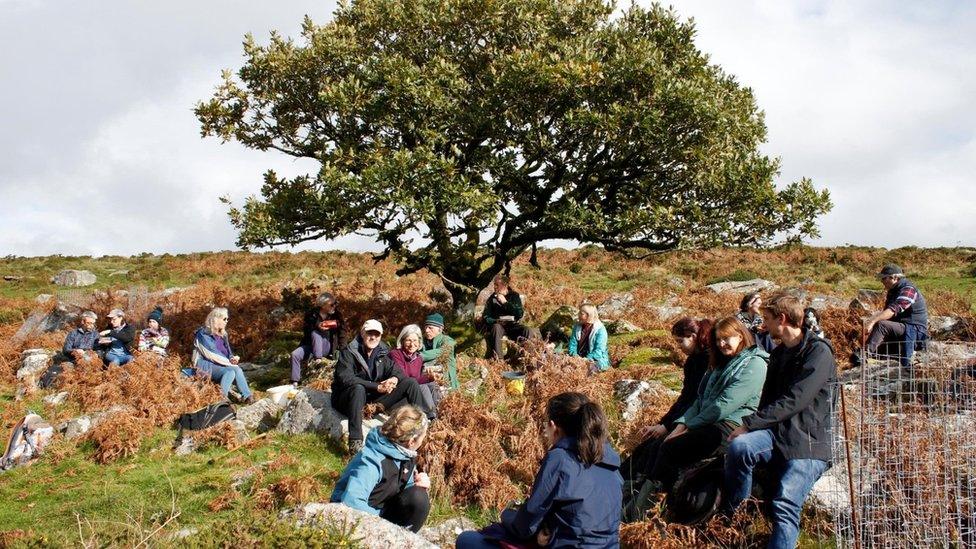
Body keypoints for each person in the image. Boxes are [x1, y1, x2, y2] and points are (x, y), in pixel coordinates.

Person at [723, 292, 837, 549]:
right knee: (740, 448)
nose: (763, 324)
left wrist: (750, 424)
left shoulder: (818, 353)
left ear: (782, 318)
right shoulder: (780, 352)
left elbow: (796, 399)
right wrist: (750, 429)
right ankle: (736, 520)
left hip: (808, 442)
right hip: (776, 433)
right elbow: (768, 398)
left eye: (766, 318)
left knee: (785, 504)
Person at [456, 392, 622, 548]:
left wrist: (507, 515)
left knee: (467, 540)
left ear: (553, 426)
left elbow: (525, 525)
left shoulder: (560, 459)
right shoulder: (613, 467)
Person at [643, 318, 768, 498]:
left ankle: (651, 501)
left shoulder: (754, 364)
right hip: (710, 421)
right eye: (717, 340)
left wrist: (690, 426)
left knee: (671, 448)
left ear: (740, 336)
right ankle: (649, 494)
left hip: (731, 426)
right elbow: (700, 399)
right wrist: (681, 424)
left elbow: (725, 404)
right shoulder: (720, 364)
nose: (721, 344)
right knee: (662, 445)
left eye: (726, 338)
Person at [621, 318, 712, 510]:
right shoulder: (692, 362)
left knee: (657, 449)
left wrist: (668, 426)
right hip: (683, 418)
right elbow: (684, 398)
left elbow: (695, 401)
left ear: (693, 337)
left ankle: (640, 501)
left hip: (696, 421)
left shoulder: (707, 361)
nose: (678, 347)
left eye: (681, 341)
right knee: (644, 449)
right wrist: (664, 423)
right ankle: (623, 489)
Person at [332, 319, 433, 454]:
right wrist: (377, 386)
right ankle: (355, 442)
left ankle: (423, 425)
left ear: (380, 336)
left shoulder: (382, 352)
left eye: (377, 334)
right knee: (358, 388)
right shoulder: (349, 352)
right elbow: (346, 378)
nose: (373, 337)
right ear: (362, 333)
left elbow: (397, 371)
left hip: (371, 404)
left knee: (410, 383)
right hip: (348, 400)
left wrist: (394, 378)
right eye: (369, 333)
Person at [330, 405, 432, 533]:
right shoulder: (373, 461)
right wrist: (384, 525)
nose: (423, 441)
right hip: (349, 516)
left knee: (418, 498)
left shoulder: (405, 454)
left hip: (379, 511)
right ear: (412, 441)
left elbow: (403, 488)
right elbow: (351, 501)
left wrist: (417, 485)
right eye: (423, 437)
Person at [863, 264, 928, 366]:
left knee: (882, 325)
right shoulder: (893, 291)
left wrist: (872, 321)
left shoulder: (908, 289)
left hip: (914, 328)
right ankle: (871, 356)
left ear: (894, 277)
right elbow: (887, 313)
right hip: (902, 326)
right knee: (880, 327)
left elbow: (894, 309)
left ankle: (863, 355)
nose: (882, 281)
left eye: (884, 278)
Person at [191, 307, 254, 403]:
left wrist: (232, 358)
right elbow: (212, 353)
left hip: (220, 364)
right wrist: (230, 363)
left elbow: (228, 353)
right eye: (224, 319)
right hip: (204, 365)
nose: (227, 321)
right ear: (216, 319)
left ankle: (248, 397)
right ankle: (221, 398)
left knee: (237, 369)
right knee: (230, 372)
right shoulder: (203, 334)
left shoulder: (223, 335)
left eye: (227, 319)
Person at [290, 292, 345, 384]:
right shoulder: (312, 314)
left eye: (335, 303)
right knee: (295, 354)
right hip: (311, 345)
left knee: (316, 333)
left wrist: (343, 349)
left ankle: (318, 359)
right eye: (331, 305)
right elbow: (306, 330)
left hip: (327, 346)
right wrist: (317, 326)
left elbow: (342, 332)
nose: (334, 306)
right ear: (323, 306)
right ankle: (294, 382)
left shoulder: (337, 315)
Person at [390, 324, 442, 412]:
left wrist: (430, 377)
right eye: (408, 340)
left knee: (433, 385)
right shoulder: (395, 354)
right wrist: (425, 379)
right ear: (402, 341)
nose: (412, 344)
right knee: (423, 387)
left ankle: (440, 411)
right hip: (398, 393)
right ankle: (431, 415)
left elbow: (418, 379)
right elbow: (405, 379)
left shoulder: (418, 358)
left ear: (419, 342)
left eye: (415, 340)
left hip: (413, 390)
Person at [480, 274, 533, 360]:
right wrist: (496, 320)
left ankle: (525, 358)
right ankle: (499, 360)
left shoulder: (514, 296)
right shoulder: (492, 298)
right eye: (494, 284)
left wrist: (505, 303)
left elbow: (519, 314)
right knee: (496, 328)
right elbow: (485, 317)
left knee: (527, 330)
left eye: (497, 285)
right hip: (499, 326)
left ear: (505, 285)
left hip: (512, 326)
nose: (495, 287)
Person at [419, 313, 459, 390]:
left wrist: (418, 355)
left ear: (440, 329)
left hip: (446, 381)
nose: (427, 330)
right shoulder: (422, 341)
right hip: (426, 379)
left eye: (430, 328)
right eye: (426, 327)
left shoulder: (448, 340)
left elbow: (441, 351)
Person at [567, 304, 610, 372]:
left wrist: (586, 359)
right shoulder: (577, 327)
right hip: (578, 359)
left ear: (588, 315)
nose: (578, 315)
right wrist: (575, 356)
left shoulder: (600, 330)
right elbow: (572, 344)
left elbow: (599, 350)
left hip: (596, 360)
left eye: (581, 314)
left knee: (589, 369)